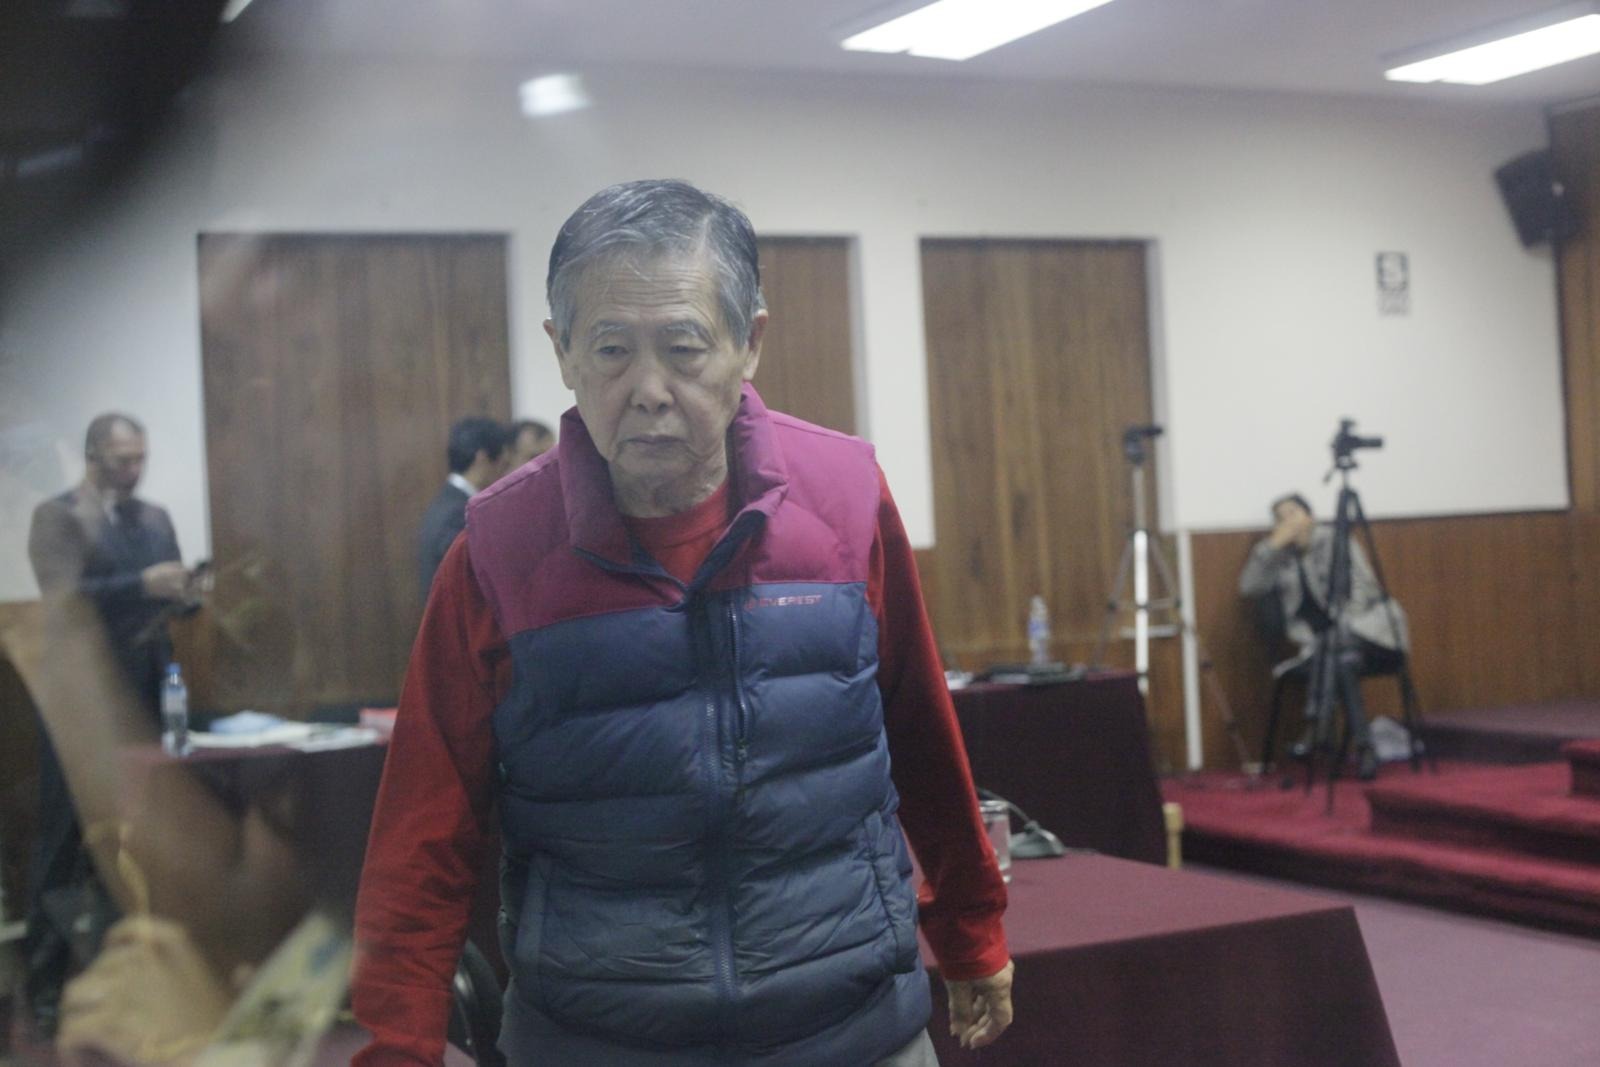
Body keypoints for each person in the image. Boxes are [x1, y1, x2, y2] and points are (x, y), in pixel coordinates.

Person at [354, 180, 1014, 1067]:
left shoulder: (844, 498)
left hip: (853, 1030)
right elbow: (422, 832)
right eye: (611, 350)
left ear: (750, 343)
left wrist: (970, 925)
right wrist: (398, 1046)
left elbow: (920, 729)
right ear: (561, 352)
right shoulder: (498, 549)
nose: (649, 390)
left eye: (684, 347)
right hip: (596, 1043)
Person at [24, 412, 203, 1035]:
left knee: (147, 843)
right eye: (124, 459)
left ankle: (141, 986)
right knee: (64, 843)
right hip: (81, 701)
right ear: (93, 456)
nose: (135, 469)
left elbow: (166, 595)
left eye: (141, 457)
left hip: (148, 695)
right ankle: (45, 993)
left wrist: (186, 592)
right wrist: (142, 583)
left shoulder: (153, 517)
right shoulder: (56, 516)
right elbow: (63, 594)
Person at [1238, 492, 1410, 779]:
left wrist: (1341, 628)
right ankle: (1365, 748)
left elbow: (1364, 590)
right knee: (1342, 662)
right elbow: (1249, 587)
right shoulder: (1280, 558)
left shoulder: (1335, 541)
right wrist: (1270, 547)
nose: (1288, 522)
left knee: (1336, 647)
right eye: (1280, 519)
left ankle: (1316, 726)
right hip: (1329, 651)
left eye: (1293, 513)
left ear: (1310, 517)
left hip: (1372, 633)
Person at [416, 417, 508, 595]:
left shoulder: (446, 503)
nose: (504, 473)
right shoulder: (458, 514)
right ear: (482, 458)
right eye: (503, 464)